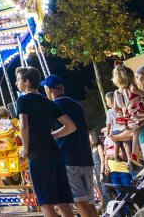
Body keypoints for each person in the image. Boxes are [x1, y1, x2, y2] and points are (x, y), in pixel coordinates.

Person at [15, 67, 76, 217]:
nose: (16, 83)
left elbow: (23, 125)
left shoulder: (22, 99)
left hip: (38, 155)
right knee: (63, 202)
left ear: (27, 82)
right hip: (55, 154)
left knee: (46, 203)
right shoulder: (47, 101)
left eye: (18, 80)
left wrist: (25, 148)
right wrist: (52, 135)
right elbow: (71, 126)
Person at [40, 75, 97, 217]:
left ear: (48, 89)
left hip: (69, 159)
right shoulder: (77, 104)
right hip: (86, 157)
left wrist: (51, 135)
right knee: (90, 203)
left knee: (80, 202)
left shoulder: (53, 107)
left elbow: (50, 130)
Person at [109, 65, 144, 168]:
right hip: (137, 113)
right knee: (137, 131)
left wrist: (123, 110)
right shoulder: (131, 87)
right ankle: (134, 153)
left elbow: (115, 108)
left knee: (135, 133)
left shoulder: (116, 92)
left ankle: (136, 154)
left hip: (127, 116)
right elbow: (138, 92)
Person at [101, 93, 132, 189]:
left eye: (106, 101)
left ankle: (116, 156)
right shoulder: (122, 108)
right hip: (124, 129)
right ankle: (129, 159)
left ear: (110, 102)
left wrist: (108, 133)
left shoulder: (110, 111)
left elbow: (108, 123)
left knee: (116, 143)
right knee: (126, 145)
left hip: (115, 130)